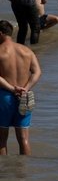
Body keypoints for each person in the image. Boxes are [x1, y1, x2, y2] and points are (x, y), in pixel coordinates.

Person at [0, 20, 41, 155]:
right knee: (24, 139)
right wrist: (26, 88)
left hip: (4, 97)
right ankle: (23, 173)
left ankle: (3, 173)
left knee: (1, 140)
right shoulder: (26, 51)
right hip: (24, 96)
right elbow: (37, 72)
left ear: (1, 33)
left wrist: (12, 89)